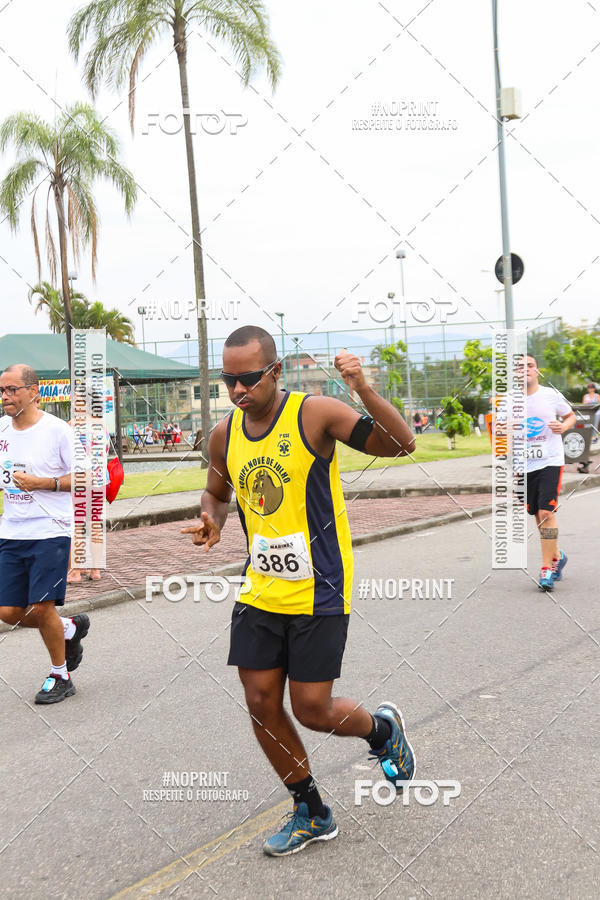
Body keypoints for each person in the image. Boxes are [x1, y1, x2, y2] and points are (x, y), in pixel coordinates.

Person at [182, 325, 416, 857]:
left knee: (311, 708)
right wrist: (210, 518)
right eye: (228, 380)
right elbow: (216, 491)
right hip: (260, 586)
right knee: (261, 701)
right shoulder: (224, 433)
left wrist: (363, 388)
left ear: (275, 371)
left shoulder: (314, 414)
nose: (238, 390)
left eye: (248, 378)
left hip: (321, 587)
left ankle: (380, 730)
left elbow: (401, 444)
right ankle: (309, 809)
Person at [0, 364, 89, 703]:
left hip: (51, 529)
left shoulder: (57, 431)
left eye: (12, 390)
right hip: (12, 530)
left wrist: (45, 483)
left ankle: (60, 675)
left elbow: (87, 478)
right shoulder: (2, 430)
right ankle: (68, 629)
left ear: (33, 391)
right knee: (7, 611)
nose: (6, 397)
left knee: (40, 606)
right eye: (2, 391)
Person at [525, 356, 576, 590]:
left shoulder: (550, 395)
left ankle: (547, 568)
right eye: (519, 367)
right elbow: (502, 432)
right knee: (537, 515)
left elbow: (571, 415)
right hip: (525, 465)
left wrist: (563, 427)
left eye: (529, 366)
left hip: (551, 461)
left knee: (546, 512)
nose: (525, 370)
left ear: (537, 371)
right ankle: (557, 555)